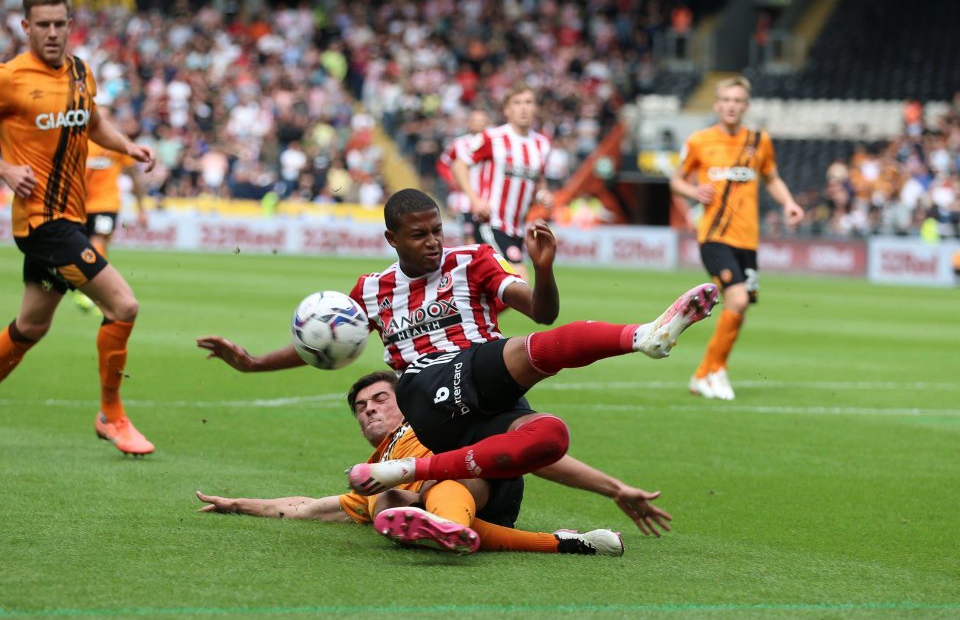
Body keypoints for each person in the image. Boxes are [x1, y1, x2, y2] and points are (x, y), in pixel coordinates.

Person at [196, 188, 718, 498]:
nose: (433, 243)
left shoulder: (473, 261)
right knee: (519, 352)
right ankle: (644, 337)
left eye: (436, 231)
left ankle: (408, 477)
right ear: (392, 240)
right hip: (425, 391)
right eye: (419, 235)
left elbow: (542, 310)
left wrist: (543, 270)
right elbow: (322, 346)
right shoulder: (371, 290)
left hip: (484, 397)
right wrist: (255, 363)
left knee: (549, 437)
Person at [196, 371, 669, 556]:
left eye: (379, 399)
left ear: (405, 400)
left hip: (486, 487)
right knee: (387, 500)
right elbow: (306, 507)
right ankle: (569, 543)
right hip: (429, 500)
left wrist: (614, 488)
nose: (370, 410)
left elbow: (530, 453)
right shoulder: (377, 465)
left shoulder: (441, 423)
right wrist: (239, 503)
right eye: (361, 409)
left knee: (444, 476)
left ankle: (447, 525)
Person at [0, 0, 157, 455]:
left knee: (31, 326)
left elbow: (93, 124)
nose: (52, 32)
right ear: (26, 27)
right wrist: (5, 169)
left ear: (70, 24)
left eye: (59, 24)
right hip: (42, 222)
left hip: (72, 215)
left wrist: (129, 147)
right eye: (42, 24)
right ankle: (112, 415)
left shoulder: (79, 70)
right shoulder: (9, 78)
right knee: (123, 306)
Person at [669, 75, 804, 401]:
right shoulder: (700, 141)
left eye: (738, 101)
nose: (731, 106)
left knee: (738, 308)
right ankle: (714, 371)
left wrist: (788, 203)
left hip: (748, 240)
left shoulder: (759, 141)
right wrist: (692, 191)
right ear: (717, 104)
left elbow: (772, 177)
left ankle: (706, 373)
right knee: (738, 299)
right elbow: (676, 180)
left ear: (745, 106)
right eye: (726, 100)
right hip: (714, 235)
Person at [451, 83, 553, 281]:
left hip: (517, 228)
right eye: (517, 103)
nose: (523, 107)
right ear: (507, 110)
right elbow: (459, 165)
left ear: (536, 108)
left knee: (489, 286)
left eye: (528, 102)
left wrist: (543, 194)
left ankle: (460, 310)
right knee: (518, 279)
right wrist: (475, 199)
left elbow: (539, 180)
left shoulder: (542, 144)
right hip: (491, 222)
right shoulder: (492, 137)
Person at [74, 100, 148, 313]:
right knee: (83, 247)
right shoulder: (78, 139)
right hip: (78, 204)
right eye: (99, 115)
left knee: (99, 242)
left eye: (106, 116)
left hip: (106, 203)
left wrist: (141, 208)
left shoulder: (116, 142)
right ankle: (91, 287)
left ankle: (91, 292)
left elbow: (134, 175)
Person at [436, 109, 491, 246]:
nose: (478, 124)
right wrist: (452, 180)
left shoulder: (493, 143)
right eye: (474, 121)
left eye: (481, 121)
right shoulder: (459, 143)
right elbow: (443, 164)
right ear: (469, 123)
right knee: (469, 237)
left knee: (486, 239)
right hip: (466, 199)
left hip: (487, 198)